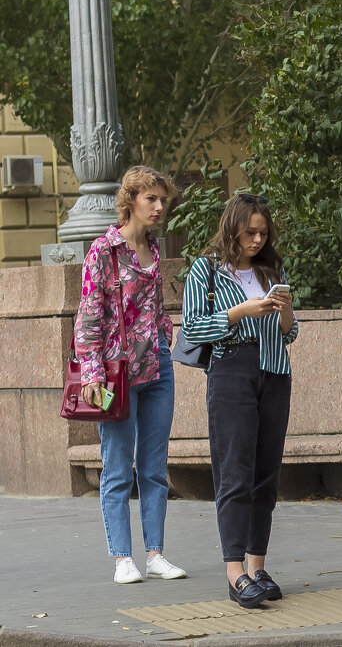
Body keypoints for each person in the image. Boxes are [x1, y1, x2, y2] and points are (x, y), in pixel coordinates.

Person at [181, 193, 298, 608]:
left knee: (266, 473)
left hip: (274, 372)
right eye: (250, 232)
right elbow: (193, 328)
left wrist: (283, 312)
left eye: (263, 232)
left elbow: (290, 332)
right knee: (235, 472)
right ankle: (234, 573)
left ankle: (257, 566)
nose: (257, 239)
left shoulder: (272, 269)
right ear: (233, 227)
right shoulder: (206, 270)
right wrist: (239, 312)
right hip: (231, 371)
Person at [74, 165, 188, 584]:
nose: (160, 207)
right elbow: (87, 317)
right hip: (115, 371)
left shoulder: (155, 249)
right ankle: (123, 558)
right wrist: (92, 373)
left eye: (163, 200)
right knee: (118, 467)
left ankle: (156, 554)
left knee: (155, 466)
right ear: (131, 201)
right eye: (151, 199)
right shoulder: (103, 250)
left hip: (157, 363)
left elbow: (154, 306)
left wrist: (165, 336)